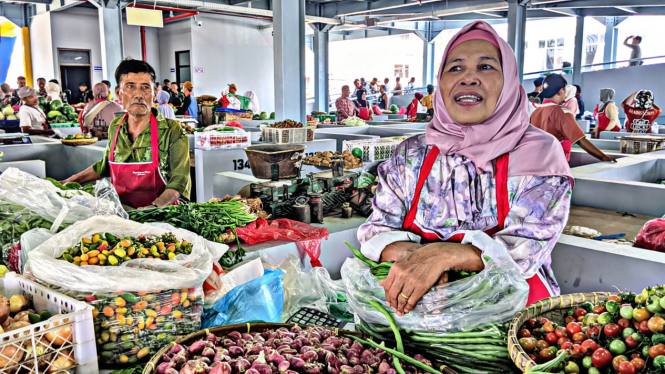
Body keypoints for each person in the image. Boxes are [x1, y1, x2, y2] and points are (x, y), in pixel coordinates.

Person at [358, 21, 574, 314]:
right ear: (441, 82)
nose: (468, 78)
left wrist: (443, 257)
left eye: (486, 67)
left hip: (511, 318)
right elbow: (376, 229)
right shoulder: (411, 154)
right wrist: (421, 261)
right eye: (455, 68)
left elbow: (525, 248)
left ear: (509, 80)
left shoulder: (539, 154)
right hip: (419, 313)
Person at [62, 58, 191, 209]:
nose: (138, 94)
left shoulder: (171, 130)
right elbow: (105, 167)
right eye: (130, 86)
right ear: (118, 93)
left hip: (160, 217)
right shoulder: (115, 127)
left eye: (145, 87)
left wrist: (154, 208)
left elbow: (179, 181)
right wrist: (67, 182)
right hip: (121, 215)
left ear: (155, 94)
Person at [531, 74, 616, 163]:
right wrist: (603, 157)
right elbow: (580, 140)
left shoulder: (536, 112)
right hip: (555, 165)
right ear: (561, 90)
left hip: (537, 163)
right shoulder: (561, 112)